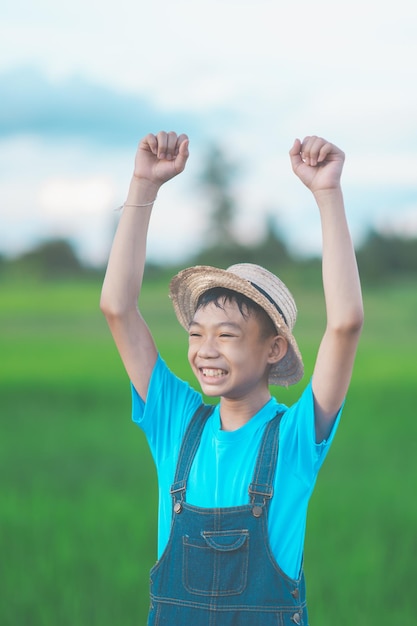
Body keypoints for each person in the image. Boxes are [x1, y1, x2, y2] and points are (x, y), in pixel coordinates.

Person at [100, 131, 363, 625]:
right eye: (197, 334)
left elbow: (345, 323)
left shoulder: (294, 437)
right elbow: (117, 307)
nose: (205, 351)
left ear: (274, 349)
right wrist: (142, 185)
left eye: (227, 335)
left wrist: (327, 195)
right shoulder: (175, 421)